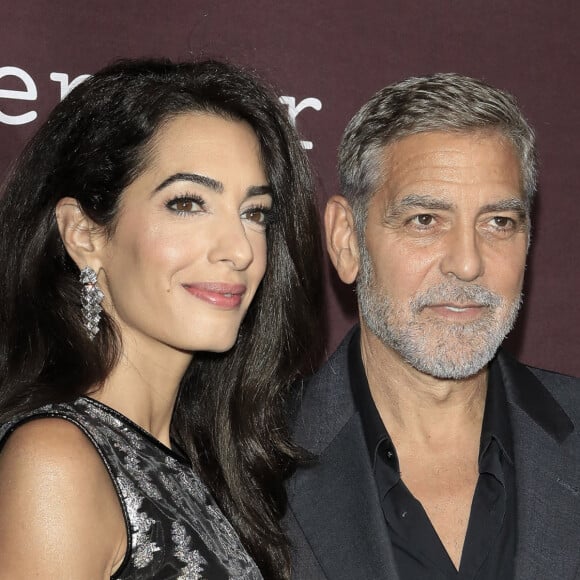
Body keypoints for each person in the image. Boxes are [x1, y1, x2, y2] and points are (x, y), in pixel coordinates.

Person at [0, 58, 323, 579]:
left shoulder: (203, 465)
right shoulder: (56, 462)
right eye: (188, 203)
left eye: (255, 213)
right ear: (84, 235)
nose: (239, 250)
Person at [284, 73, 580, 580]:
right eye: (425, 220)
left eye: (499, 223)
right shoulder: (246, 460)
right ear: (346, 241)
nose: (467, 264)